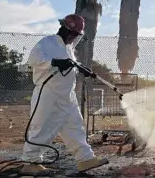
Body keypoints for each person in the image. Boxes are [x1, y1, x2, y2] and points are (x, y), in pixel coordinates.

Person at [20, 14, 108, 176]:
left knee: (75, 126)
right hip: (49, 93)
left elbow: (70, 64)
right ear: (67, 31)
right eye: (74, 34)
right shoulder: (48, 42)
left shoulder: (68, 49)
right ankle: (31, 162)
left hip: (67, 95)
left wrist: (80, 68)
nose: (75, 38)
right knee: (41, 126)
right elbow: (34, 60)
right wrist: (54, 62)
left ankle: (85, 158)